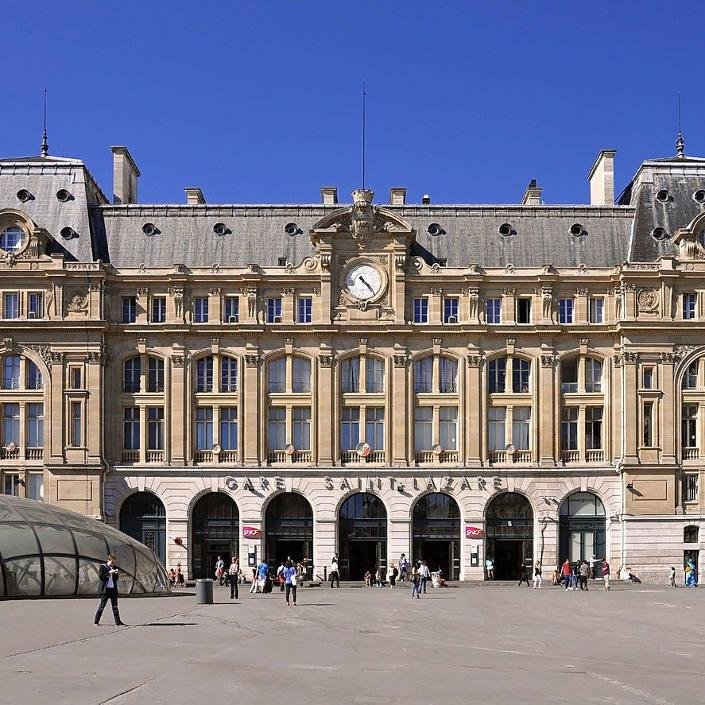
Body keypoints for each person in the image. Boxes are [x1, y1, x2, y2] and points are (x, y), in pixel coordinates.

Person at [94, 554, 125, 626]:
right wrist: (109, 573)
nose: (113, 564)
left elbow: (115, 579)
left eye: (114, 562)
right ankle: (96, 621)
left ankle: (118, 622)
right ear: (108, 560)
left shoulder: (114, 567)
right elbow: (101, 577)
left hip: (113, 589)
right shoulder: (102, 567)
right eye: (112, 562)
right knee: (102, 605)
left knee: (115, 606)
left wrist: (116, 574)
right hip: (105, 590)